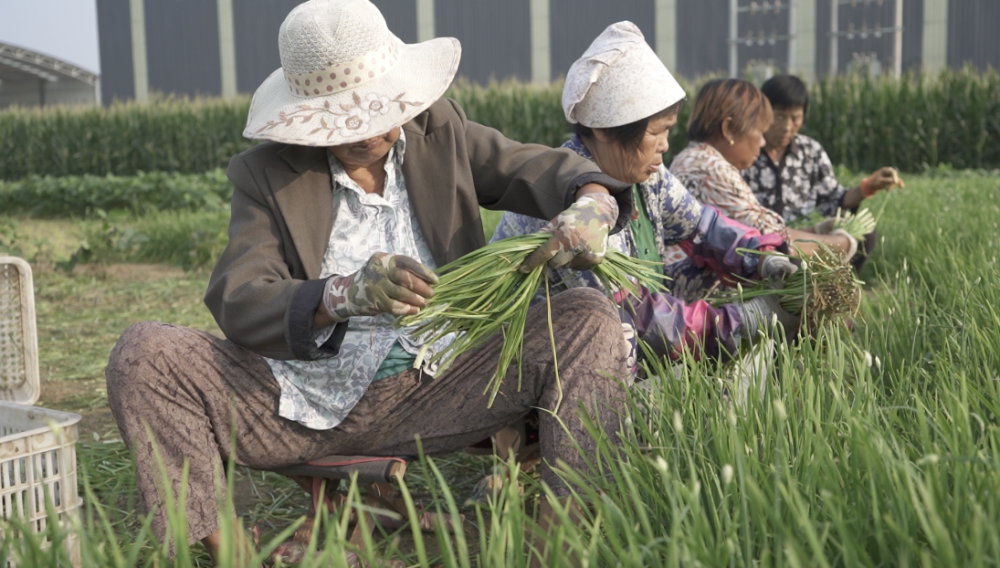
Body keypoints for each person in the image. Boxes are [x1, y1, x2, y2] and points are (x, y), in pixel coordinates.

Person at [104, 0, 634, 564]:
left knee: (587, 318)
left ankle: (568, 533)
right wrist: (340, 294)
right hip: (297, 405)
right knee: (145, 353)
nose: (367, 131)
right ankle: (223, 547)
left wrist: (594, 202)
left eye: (378, 111)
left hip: (442, 385)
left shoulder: (440, 132)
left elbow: (534, 167)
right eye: (343, 121)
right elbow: (240, 296)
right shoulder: (268, 174)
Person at [491, 22, 801, 369]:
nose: (666, 145)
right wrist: (746, 322)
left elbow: (700, 226)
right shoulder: (574, 210)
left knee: (725, 279)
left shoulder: (646, 176)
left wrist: (761, 256)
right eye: (658, 132)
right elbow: (633, 318)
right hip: (542, 360)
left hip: (616, 332)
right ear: (604, 131)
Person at [670, 79, 860, 262]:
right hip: (692, 290)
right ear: (728, 129)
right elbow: (769, 240)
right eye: (759, 131)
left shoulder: (689, 158)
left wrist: (816, 231)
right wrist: (842, 245)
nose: (762, 142)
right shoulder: (713, 169)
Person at [742, 74, 901, 269]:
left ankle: (838, 290)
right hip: (762, 245)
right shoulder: (746, 152)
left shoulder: (810, 151)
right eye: (780, 117)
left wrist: (868, 187)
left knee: (864, 233)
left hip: (807, 238)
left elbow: (834, 200)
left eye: (795, 118)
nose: (787, 126)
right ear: (763, 113)